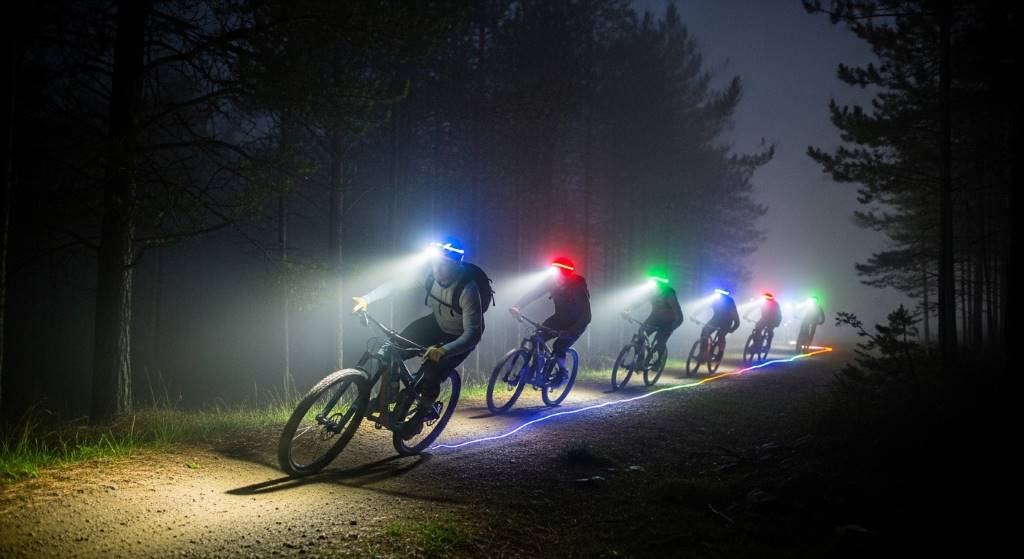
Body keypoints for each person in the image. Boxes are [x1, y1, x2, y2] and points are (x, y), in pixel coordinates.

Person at [352, 239, 488, 437]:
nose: (437, 270)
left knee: (431, 372)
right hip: (436, 324)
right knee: (392, 349)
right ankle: (386, 396)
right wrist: (366, 299)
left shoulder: (467, 290)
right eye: (435, 264)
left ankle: (419, 417)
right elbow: (397, 285)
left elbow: (472, 335)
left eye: (444, 265)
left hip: (459, 336)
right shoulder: (430, 275)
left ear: (456, 266)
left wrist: (444, 350)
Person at [509, 257, 591, 386]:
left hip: (576, 324)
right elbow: (533, 293)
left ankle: (562, 373)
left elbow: (586, 316)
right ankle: (533, 369)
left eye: (557, 271)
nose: (554, 274)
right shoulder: (551, 282)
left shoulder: (577, 286)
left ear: (565, 273)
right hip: (559, 319)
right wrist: (518, 306)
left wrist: (570, 332)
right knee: (536, 338)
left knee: (559, 347)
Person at [633, 276, 684, 357]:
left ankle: (659, 361)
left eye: (655, 284)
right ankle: (639, 360)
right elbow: (639, 302)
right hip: (654, 318)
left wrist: (672, 327)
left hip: (668, 322)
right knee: (641, 334)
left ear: (661, 285)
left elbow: (679, 315)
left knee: (660, 342)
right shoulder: (651, 292)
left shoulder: (669, 294)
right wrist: (628, 310)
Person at [696, 289, 741, 354]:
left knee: (721, 335)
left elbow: (736, 317)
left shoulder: (730, 302)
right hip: (716, 319)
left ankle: (720, 353)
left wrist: (733, 328)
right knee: (705, 331)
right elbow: (704, 307)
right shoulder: (716, 300)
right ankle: (703, 352)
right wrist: (695, 314)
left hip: (726, 322)